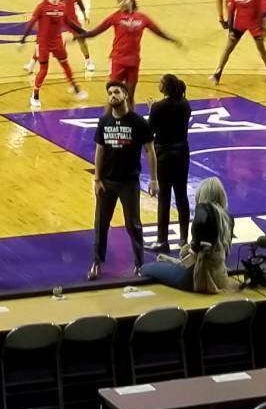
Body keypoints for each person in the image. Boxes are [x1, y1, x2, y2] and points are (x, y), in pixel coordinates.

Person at [87, 82, 148, 281]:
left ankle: (139, 263)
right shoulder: (104, 122)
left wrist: (154, 179)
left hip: (129, 182)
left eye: (116, 92)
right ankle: (97, 262)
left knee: (133, 225)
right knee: (101, 224)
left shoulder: (138, 122)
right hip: (108, 182)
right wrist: (97, 179)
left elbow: (150, 150)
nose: (112, 95)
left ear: (125, 94)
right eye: (110, 93)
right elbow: (99, 150)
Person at [139, 176, 236, 293]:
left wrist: (195, 247)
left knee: (145, 269)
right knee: (166, 262)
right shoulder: (228, 220)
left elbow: (200, 220)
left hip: (196, 278)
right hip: (219, 275)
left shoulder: (204, 209)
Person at [78, 0, 177, 103]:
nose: (122, 1)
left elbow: (158, 31)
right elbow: (96, 31)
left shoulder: (142, 18)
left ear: (132, 0)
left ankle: (129, 119)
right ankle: (110, 119)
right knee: (113, 96)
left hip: (133, 61)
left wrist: (172, 39)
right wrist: (79, 36)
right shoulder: (115, 16)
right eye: (120, 1)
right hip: (118, 59)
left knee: (130, 96)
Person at [144, 72, 194, 251]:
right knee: (182, 196)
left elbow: (150, 130)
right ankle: (183, 239)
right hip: (182, 153)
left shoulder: (158, 107)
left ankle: (162, 241)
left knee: (164, 197)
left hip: (164, 154)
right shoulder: (185, 104)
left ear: (165, 87)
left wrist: (151, 111)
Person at [20, 0, 85, 105]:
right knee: (44, 69)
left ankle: (75, 87)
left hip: (57, 42)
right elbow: (31, 23)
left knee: (65, 64)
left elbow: (69, 22)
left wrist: (82, 31)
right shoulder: (42, 7)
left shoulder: (62, 7)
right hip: (43, 43)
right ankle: (35, 95)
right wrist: (23, 39)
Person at [212, 0, 266, 84]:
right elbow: (231, 12)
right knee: (228, 48)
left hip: (254, 24)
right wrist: (230, 30)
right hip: (239, 24)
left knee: (261, 48)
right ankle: (218, 73)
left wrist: (261, 28)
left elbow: (259, 12)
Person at [48, 0, 94, 73]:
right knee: (45, 41)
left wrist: (84, 14)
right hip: (57, 18)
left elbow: (78, 0)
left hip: (72, 18)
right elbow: (47, 3)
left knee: (81, 39)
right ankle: (34, 62)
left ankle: (88, 61)